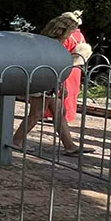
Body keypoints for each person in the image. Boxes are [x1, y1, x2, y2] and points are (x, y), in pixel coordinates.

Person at [11, 10, 95, 157]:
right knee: (37, 113)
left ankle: (70, 146)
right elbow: (57, 67)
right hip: (44, 82)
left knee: (58, 113)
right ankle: (16, 141)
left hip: (45, 81)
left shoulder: (46, 41)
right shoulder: (56, 45)